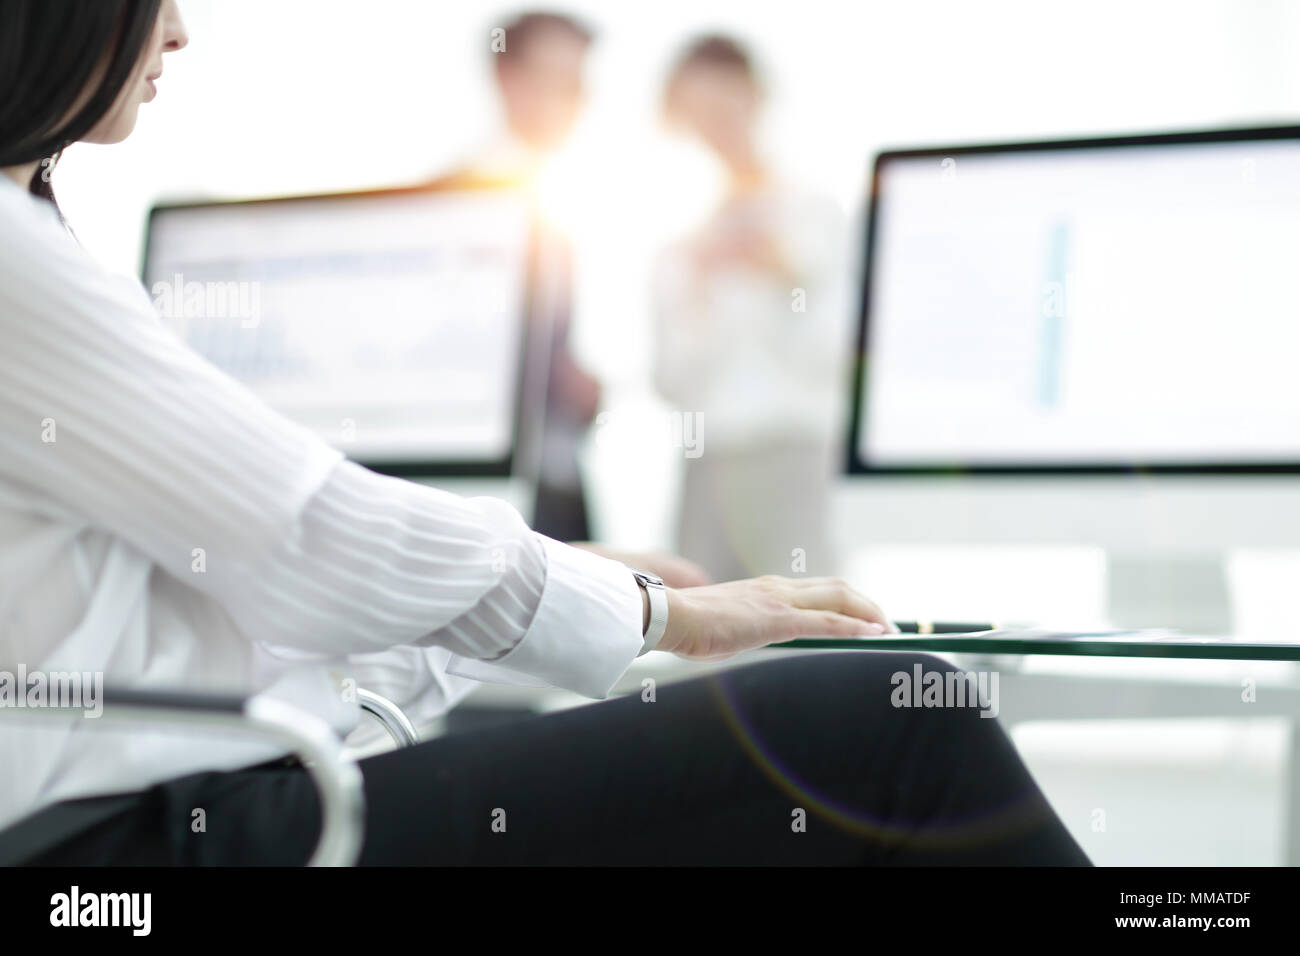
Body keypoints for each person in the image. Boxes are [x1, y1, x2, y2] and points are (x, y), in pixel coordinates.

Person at [0, 0, 1089, 866]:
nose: (181, 27)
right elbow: (301, 526)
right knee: (900, 716)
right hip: (138, 836)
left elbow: (229, 591)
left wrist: (570, 586)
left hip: (180, 794)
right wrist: (650, 610)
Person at [654, 36, 851, 581]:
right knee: (703, 628)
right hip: (707, 462)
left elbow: (837, 357)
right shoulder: (682, 242)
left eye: (724, 107)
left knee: (807, 621)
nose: (714, 127)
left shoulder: (816, 215)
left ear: (756, 97)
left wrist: (784, 275)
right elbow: (671, 380)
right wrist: (696, 292)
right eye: (697, 113)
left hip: (795, 454)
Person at [442, 11, 605, 544]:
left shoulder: (561, 204)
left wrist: (570, 379)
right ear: (507, 80)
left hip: (556, 479)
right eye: (558, 81)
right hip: (478, 495)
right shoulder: (450, 204)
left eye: (580, 85)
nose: (574, 102)